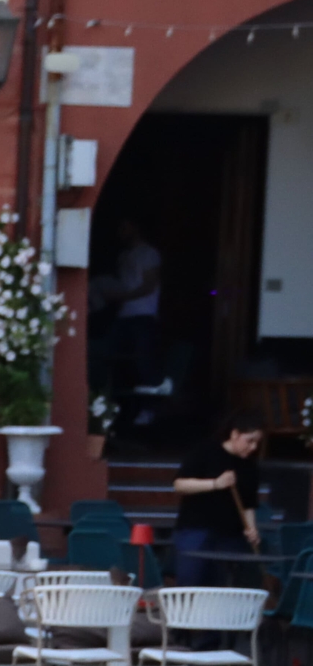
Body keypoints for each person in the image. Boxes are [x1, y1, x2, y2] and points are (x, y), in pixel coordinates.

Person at [168, 411, 263, 586]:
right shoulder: (205, 451)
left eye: (257, 442)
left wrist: (251, 528)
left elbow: (249, 504)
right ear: (235, 434)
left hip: (231, 535)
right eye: (249, 441)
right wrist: (215, 484)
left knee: (225, 584)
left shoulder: (250, 466)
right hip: (196, 529)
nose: (253, 447)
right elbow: (179, 484)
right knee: (192, 581)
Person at [91, 217, 165, 415]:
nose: (121, 231)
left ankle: (150, 410)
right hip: (124, 315)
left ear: (136, 227)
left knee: (144, 363)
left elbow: (149, 285)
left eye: (125, 226)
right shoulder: (123, 256)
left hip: (143, 315)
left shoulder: (149, 253)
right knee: (109, 358)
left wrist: (124, 296)